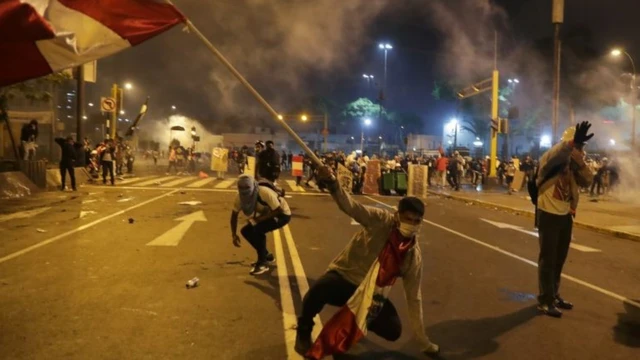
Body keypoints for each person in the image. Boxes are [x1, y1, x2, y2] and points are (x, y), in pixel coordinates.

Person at [295, 165, 440, 359]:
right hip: (345, 277)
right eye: (407, 219)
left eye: (416, 221)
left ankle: (355, 325)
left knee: (393, 329)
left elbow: (414, 298)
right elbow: (351, 207)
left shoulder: (412, 256)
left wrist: (424, 342)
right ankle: (304, 331)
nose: (411, 225)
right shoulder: (380, 220)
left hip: (371, 295)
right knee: (316, 292)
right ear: (397, 216)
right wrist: (332, 183)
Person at [535, 122, 594, 318]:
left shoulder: (575, 165)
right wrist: (570, 144)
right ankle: (545, 300)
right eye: (577, 147)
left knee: (559, 259)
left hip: (565, 214)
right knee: (548, 258)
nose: (579, 150)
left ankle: (554, 294)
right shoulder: (552, 158)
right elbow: (556, 155)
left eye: (581, 147)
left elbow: (588, 180)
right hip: (548, 213)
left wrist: (581, 162)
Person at [230, 175, 291, 275]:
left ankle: (262, 263)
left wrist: (258, 219)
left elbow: (278, 210)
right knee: (245, 231)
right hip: (267, 213)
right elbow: (234, 215)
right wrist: (233, 235)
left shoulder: (263, 192)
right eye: (242, 187)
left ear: (253, 185)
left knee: (258, 230)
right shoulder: (239, 197)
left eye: (247, 187)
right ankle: (267, 255)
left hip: (282, 214)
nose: (244, 190)